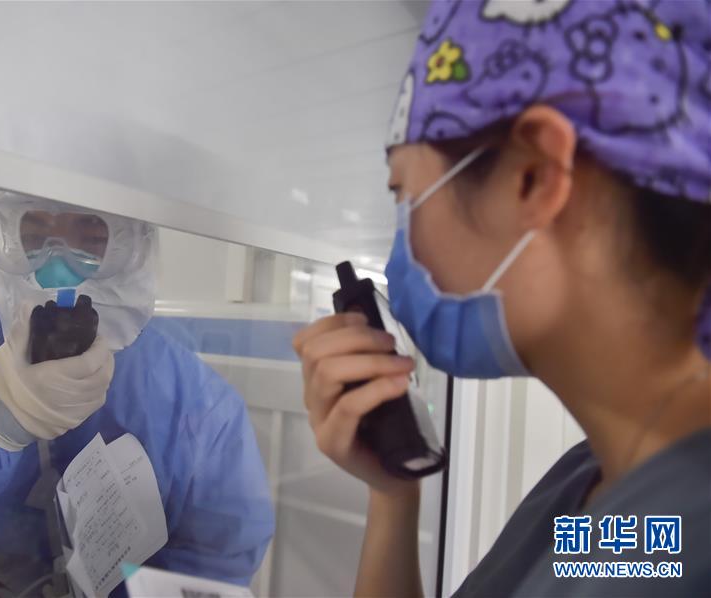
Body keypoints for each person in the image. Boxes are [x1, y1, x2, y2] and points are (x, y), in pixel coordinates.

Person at [293, 0, 711, 596]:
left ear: (532, 176)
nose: (401, 252)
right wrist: (393, 493)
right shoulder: (608, 486)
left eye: (405, 195)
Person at [0, 192, 274, 597]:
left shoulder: (197, 405)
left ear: (136, 247)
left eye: (92, 239)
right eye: (34, 235)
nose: (57, 272)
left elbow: (214, 566)